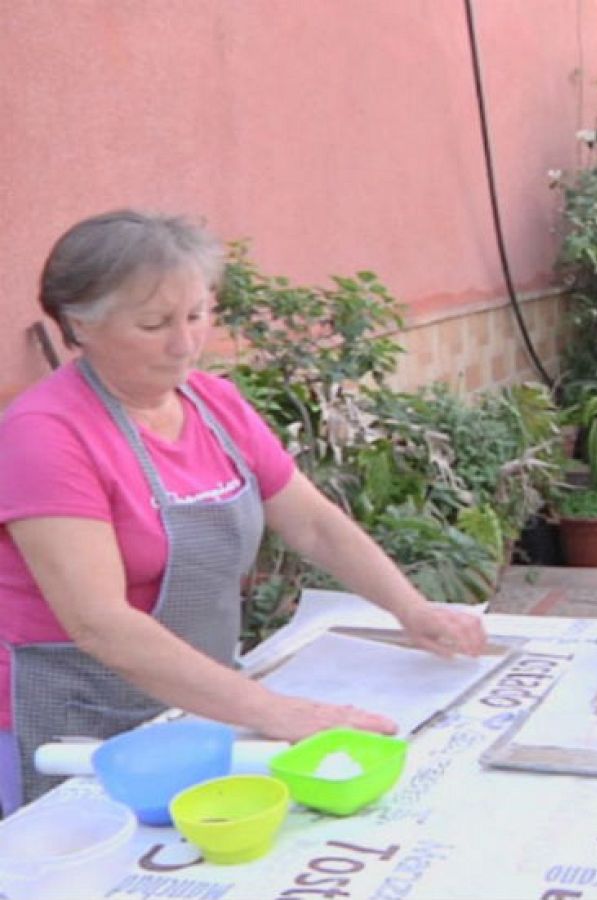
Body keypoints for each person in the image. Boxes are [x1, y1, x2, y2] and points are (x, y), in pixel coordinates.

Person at [0, 210, 488, 811]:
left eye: (197, 314)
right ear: (80, 325)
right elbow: (99, 621)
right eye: (154, 323)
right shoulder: (45, 435)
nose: (185, 343)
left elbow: (314, 523)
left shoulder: (214, 404)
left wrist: (411, 609)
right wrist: (279, 714)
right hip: (77, 718)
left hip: (200, 704)